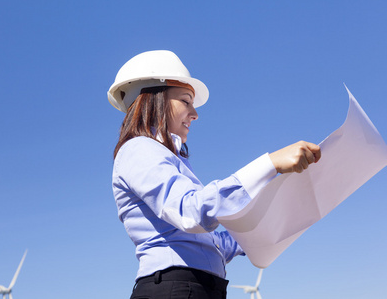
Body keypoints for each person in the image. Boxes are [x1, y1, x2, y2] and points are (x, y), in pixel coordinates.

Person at [108, 50, 321, 299]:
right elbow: (191, 212)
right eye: (186, 101)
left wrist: (272, 219)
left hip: (198, 289)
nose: (195, 113)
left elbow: (211, 243)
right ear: (153, 99)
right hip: (175, 289)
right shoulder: (138, 149)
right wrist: (269, 164)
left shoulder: (169, 160)